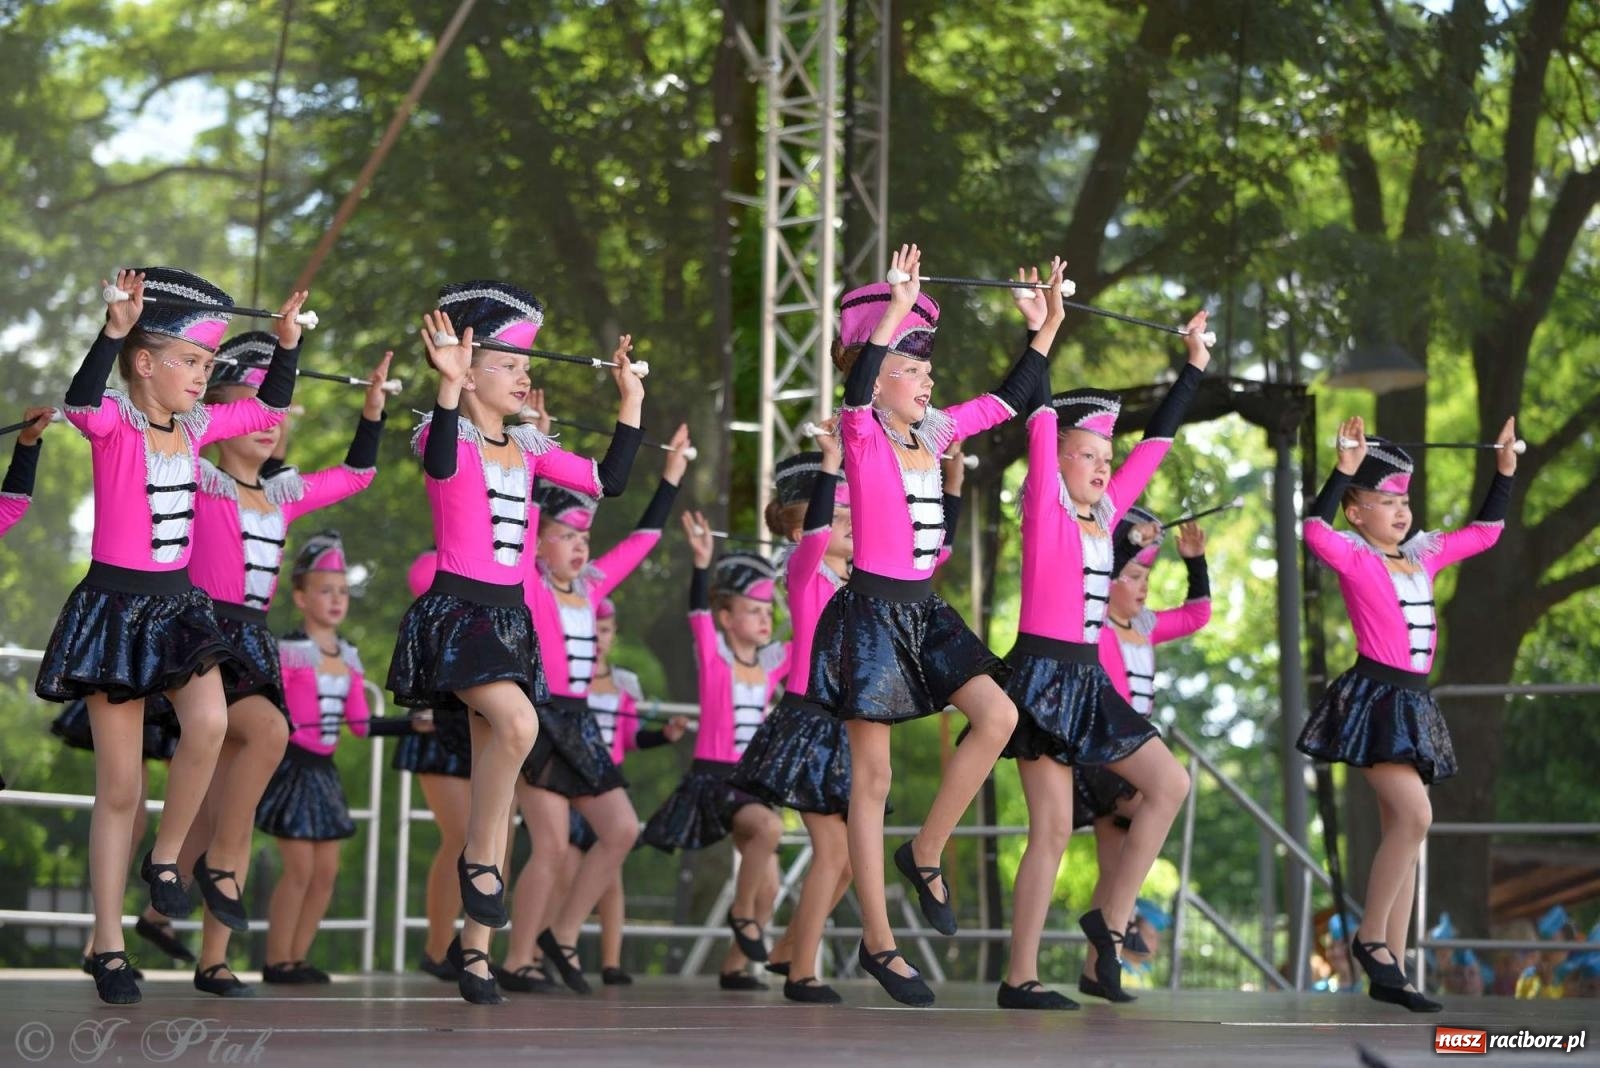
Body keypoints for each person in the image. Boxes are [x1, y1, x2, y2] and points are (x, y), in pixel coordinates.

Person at [36, 267, 304, 1003]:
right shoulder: (114, 423)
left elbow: (266, 409)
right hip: (114, 611)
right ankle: (110, 947)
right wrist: (113, 329)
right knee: (119, 787)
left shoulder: (198, 428)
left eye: (210, 366)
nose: (203, 376)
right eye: (192, 362)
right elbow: (81, 400)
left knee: (212, 721)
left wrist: (285, 347)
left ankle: (166, 860)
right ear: (147, 363)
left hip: (180, 610)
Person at [807, 245, 1054, 1006]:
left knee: (999, 714)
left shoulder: (938, 433)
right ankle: (879, 943)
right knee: (871, 780)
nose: (928, 381)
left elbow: (1010, 399)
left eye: (926, 371)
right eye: (913, 371)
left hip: (926, 610)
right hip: (872, 614)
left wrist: (1043, 331)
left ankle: (927, 849)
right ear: (880, 377)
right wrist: (889, 314)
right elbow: (855, 383)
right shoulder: (862, 431)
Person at [389, 281, 644, 1004]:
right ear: (467, 370)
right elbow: (440, 464)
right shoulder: (443, 431)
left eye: (525, 366)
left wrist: (629, 402)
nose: (524, 376)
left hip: (507, 624)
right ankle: (481, 865)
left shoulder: (530, 447)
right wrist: (444, 390)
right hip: (456, 616)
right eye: (508, 364)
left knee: (497, 791)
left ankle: (476, 954)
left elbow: (608, 481)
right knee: (520, 726)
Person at [998, 263, 1209, 1008]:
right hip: (1039, 677)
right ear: (1057, 463)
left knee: (1170, 783)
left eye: (1105, 460)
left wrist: (1192, 369)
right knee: (1051, 831)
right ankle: (1020, 976)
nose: (1102, 467)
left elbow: (1156, 446)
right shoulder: (1045, 505)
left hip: (1087, 679)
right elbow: (1041, 414)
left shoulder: (1108, 513)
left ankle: (1108, 922)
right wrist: (1040, 329)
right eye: (1088, 456)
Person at [176, 331, 388, 997]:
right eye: (256, 407)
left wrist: (374, 413)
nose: (271, 421)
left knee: (245, 775)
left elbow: (357, 475)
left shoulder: (286, 494)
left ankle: (214, 957)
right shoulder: (194, 473)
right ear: (224, 413)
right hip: (193, 637)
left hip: (251, 647)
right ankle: (141, 920)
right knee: (256, 742)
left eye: (280, 412)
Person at [1298, 414, 1518, 1013]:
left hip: (1414, 702)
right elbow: (1312, 532)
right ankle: (1370, 938)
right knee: (1416, 817)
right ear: (1355, 512)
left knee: (1406, 829)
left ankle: (1391, 968)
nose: (1401, 511)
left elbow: (1487, 533)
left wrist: (1502, 473)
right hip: (1374, 699)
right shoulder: (1354, 556)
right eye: (1385, 500)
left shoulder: (1424, 557)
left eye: (1405, 501)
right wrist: (1340, 472)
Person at [500, 430, 688, 996]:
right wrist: (529, 457)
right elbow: (525, 516)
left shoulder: (592, 585)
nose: (580, 547)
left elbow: (645, 539)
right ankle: (517, 958)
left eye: (584, 538)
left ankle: (561, 933)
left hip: (579, 723)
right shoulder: (529, 582)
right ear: (540, 544)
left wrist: (672, 477)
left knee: (622, 829)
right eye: (565, 536)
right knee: (552, 847)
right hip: (540, 719)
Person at [644, 529, 789, 989]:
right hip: (715, 781)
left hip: (752, 783)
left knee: (772, 885)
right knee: (769, 827)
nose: (764, 620)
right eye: (752, 611)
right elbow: (697, 615)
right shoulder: (714, 657)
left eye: (768, 612)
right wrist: (703, 564)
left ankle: (732, 967)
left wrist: (802, 569)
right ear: (726, 618)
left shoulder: (771, 665)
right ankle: (740, 913)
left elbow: (809, 632)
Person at [256, 532, 369, 983]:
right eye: (325, 590)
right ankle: (276, 959)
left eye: (342, 591)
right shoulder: (287, 653)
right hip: (291, 765)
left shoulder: (351, 658)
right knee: (299, 868)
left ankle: (297, 957)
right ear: (301, 597)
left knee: (326, 871)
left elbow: (359, 724)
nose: (337, 599)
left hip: (324, 771)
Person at [388, 550, 473, 980]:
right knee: (460, 837)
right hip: (438, 734)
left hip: (483, 729)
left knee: (494, 843)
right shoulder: (432, 568)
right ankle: (438, 949)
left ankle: (473, 948)